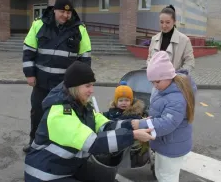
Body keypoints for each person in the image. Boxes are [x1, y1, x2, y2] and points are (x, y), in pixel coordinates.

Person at [24, 61, 155, 182]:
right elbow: (93, 143)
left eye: (92, 85)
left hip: (68, 166)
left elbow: (106, 125)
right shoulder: (60, 113)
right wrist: (133, 136)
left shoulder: (81, 105)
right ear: (75, 86)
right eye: (87, 86)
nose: (92, 90)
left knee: (108, 177)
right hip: (46, 174)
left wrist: (134, 124)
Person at [22, 0, 92, 152]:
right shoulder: (39, 24)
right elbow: (28, 51)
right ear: (54, 10)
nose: (66, 16)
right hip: (41, 82)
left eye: (69, 13)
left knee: (64, 117)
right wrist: (29, 74)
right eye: (62, 12)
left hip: (64, 85)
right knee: (38, 113)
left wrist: (84, 82)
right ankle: (35, 143)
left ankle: (59, 145)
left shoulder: (79, 29)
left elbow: (85, 58)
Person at [131, 51, 197, 182]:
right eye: (152, 82)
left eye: (157, 82)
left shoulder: (176, 98)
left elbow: (166, 124)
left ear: (168, 76)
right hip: (166, 144)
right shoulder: (165, 88)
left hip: (171, 147)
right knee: (161, 173)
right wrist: (149, 120)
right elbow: (160, 114)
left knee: (167, 177)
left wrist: (141, 124)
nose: (154, 86)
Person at [146, 5, 195, 73]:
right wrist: (150, 68)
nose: (164, 25)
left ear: (174, 21)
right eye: (161, 22)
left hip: (175, 80)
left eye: (167, 22)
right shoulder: (154, 39)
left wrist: (179, 75)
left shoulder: (184, 40)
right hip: (156, 81)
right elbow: (149, 59)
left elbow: (190, 62)